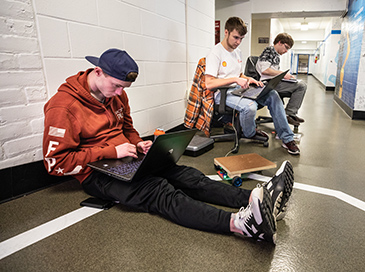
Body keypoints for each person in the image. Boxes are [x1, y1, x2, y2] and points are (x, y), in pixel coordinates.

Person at [42, 48, 295, 244]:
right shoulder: (63, 106)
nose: (120, 93)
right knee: (159, 191)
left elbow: (127, 128)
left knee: (187, 176)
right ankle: (240, 224)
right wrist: (110, 152)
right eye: (117, 86)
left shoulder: (116, 96)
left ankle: (256, 198)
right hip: (96, 173)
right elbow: (55, 164)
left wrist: (137, 143)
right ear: (98, 71)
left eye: (124, 88)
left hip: (126, 158)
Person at [205, 17, 300, 155]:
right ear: (226, 32)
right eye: (236, 37)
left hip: (238, 89)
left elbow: (240, 74)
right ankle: (249, 133)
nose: (238, 42)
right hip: (222, 93)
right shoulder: (215, 53)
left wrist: (249, 79)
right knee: (250, 106)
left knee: (273, 94)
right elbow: (209, 83)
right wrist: (235, 80)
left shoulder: (237, 52)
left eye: (241, 39)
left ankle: (287, 138)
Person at [256, 33, 307, 126]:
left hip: (275, 82)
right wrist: (282, 75)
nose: (286, 51)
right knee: (301, 86)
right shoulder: (269, 51)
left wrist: (285, 76)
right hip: (268, 84)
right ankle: (289, 114)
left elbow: (273, 71)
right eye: (286, 47)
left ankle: (290, 114)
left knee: (300, 84)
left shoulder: (276, 55)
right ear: (279, 42)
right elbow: (265, 70)